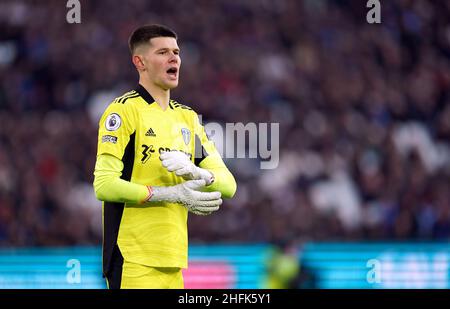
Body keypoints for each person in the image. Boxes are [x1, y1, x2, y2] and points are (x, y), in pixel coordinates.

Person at [93, 24, 237, 289]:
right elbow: (103, 185)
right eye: (162, 52)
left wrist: (199, 174)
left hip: (174, 261)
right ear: (140, 62)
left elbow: (228, 186)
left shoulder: (187, 118)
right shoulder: (124, 112)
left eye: (176, 52)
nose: (174, 58)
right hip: (133, 258)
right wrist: (170, 194)